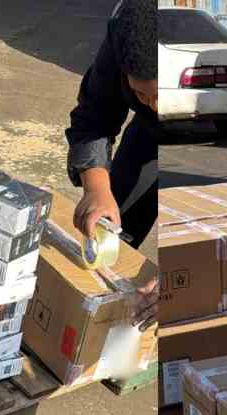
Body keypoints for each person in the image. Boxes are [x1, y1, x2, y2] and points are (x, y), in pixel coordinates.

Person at [65, 0, 158, 329]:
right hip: (147, 138)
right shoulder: (125, 34)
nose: (156, 106)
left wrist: (187, 273)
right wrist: (96, 189)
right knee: (115, 228)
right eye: (142, 95)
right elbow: (94, 118)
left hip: (206, 137)